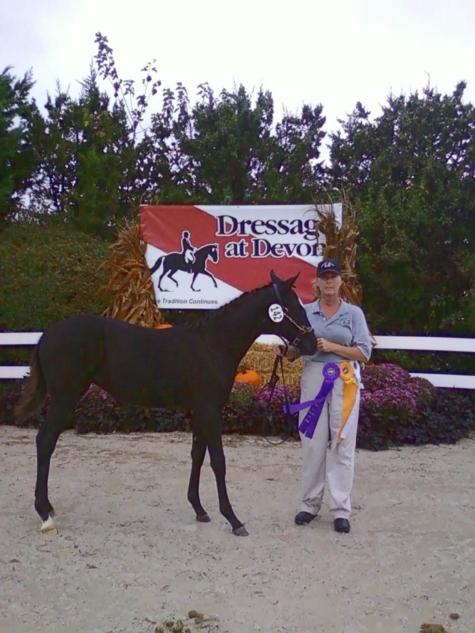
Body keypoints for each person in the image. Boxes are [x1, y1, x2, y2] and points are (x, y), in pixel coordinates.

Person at [281, 258, 372, 534]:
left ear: (340, 281)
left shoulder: (353, 314)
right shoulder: (307, 312)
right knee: (312, 442)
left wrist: (332, 346)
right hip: (313, 376)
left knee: (341, 442)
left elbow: (364, 352)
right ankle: (309, 504)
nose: (329, 281)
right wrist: (288, 352)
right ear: (317, 282)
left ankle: (340, 509)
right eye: (325, 277)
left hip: (344, 378)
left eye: (333, 277)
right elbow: (298, 349)